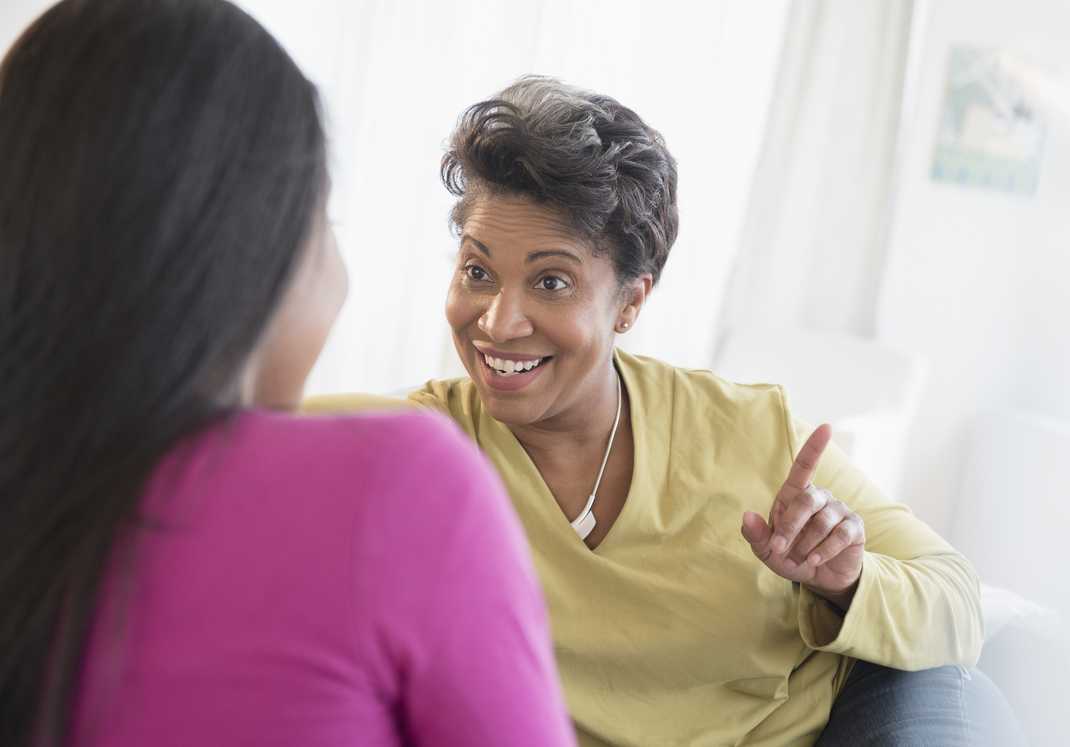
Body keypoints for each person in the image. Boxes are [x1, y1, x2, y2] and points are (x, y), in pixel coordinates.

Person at [309, 76, 1024, 745]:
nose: (498, 321)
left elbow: (955, 599)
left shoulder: (744, 432)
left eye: (551, 282)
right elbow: (252, 434)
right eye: (477, 271)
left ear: (630, 301)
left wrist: (846, 580)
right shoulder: (422, 446)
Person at [0, 5, 576, 747]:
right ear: (252, 251)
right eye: (324, 225)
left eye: (551, 282)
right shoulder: (398, 483)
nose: (500, 322)